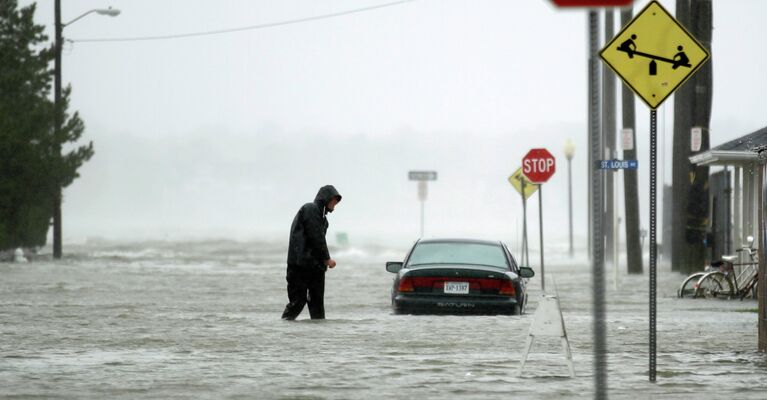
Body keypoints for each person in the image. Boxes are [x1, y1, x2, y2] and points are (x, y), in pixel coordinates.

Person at [281, 185, 342, 320]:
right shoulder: (310, 209)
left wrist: (323, 262)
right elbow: (316, 237)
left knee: (317, 307)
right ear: (326, 198)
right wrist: (327, 259)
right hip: (299, 266)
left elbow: (317, 240)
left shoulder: (324, 220)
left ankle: (318, 338)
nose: (334, 205)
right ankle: (283, 332)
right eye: (334, 201)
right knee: (297, 302)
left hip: (316, 267)